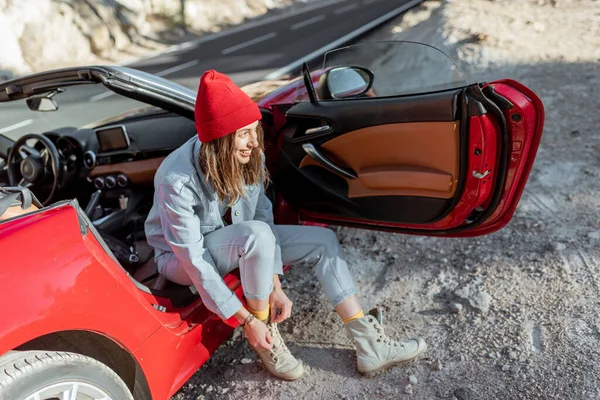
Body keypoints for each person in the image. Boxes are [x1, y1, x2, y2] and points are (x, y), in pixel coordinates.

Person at [144, 70, 427, 380]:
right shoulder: (176, 180)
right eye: (243, 134)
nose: (253, 141)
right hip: (179, 260)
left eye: (254, 129)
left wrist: (275, 283)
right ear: (220, 142)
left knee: (323, 241)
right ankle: (266, 338)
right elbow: (194, 260)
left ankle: (369, 344)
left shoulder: (249, 155)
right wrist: (247, 322)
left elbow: (262, 213)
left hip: (240, 240)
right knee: (255, 235)